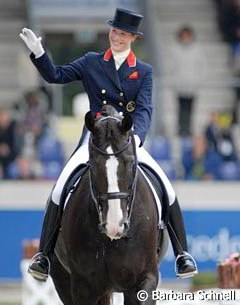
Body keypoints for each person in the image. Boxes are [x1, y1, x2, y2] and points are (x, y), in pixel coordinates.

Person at [20, 8, 197, 281]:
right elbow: (55, 76)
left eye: (123, 34)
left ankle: (182, 253)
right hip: (96, 139)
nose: (117, 37)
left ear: (133, 38)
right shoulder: (92, 62)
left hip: (128, 138)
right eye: (115, 31)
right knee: (60, 188)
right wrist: (40, 55)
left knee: (166, 187)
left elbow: (145, 108)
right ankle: (44, 255)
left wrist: (136, 136)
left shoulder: (143, 71)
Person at [172, 26, 202, 136]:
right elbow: (174, 68)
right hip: (180, 85)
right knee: (181, 108)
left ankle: (188, 129)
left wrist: (197, 81)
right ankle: (181, 129)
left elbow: (200, 67)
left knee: (190, 108)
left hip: (192, 85)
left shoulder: (196, 49)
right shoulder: (176, 50)